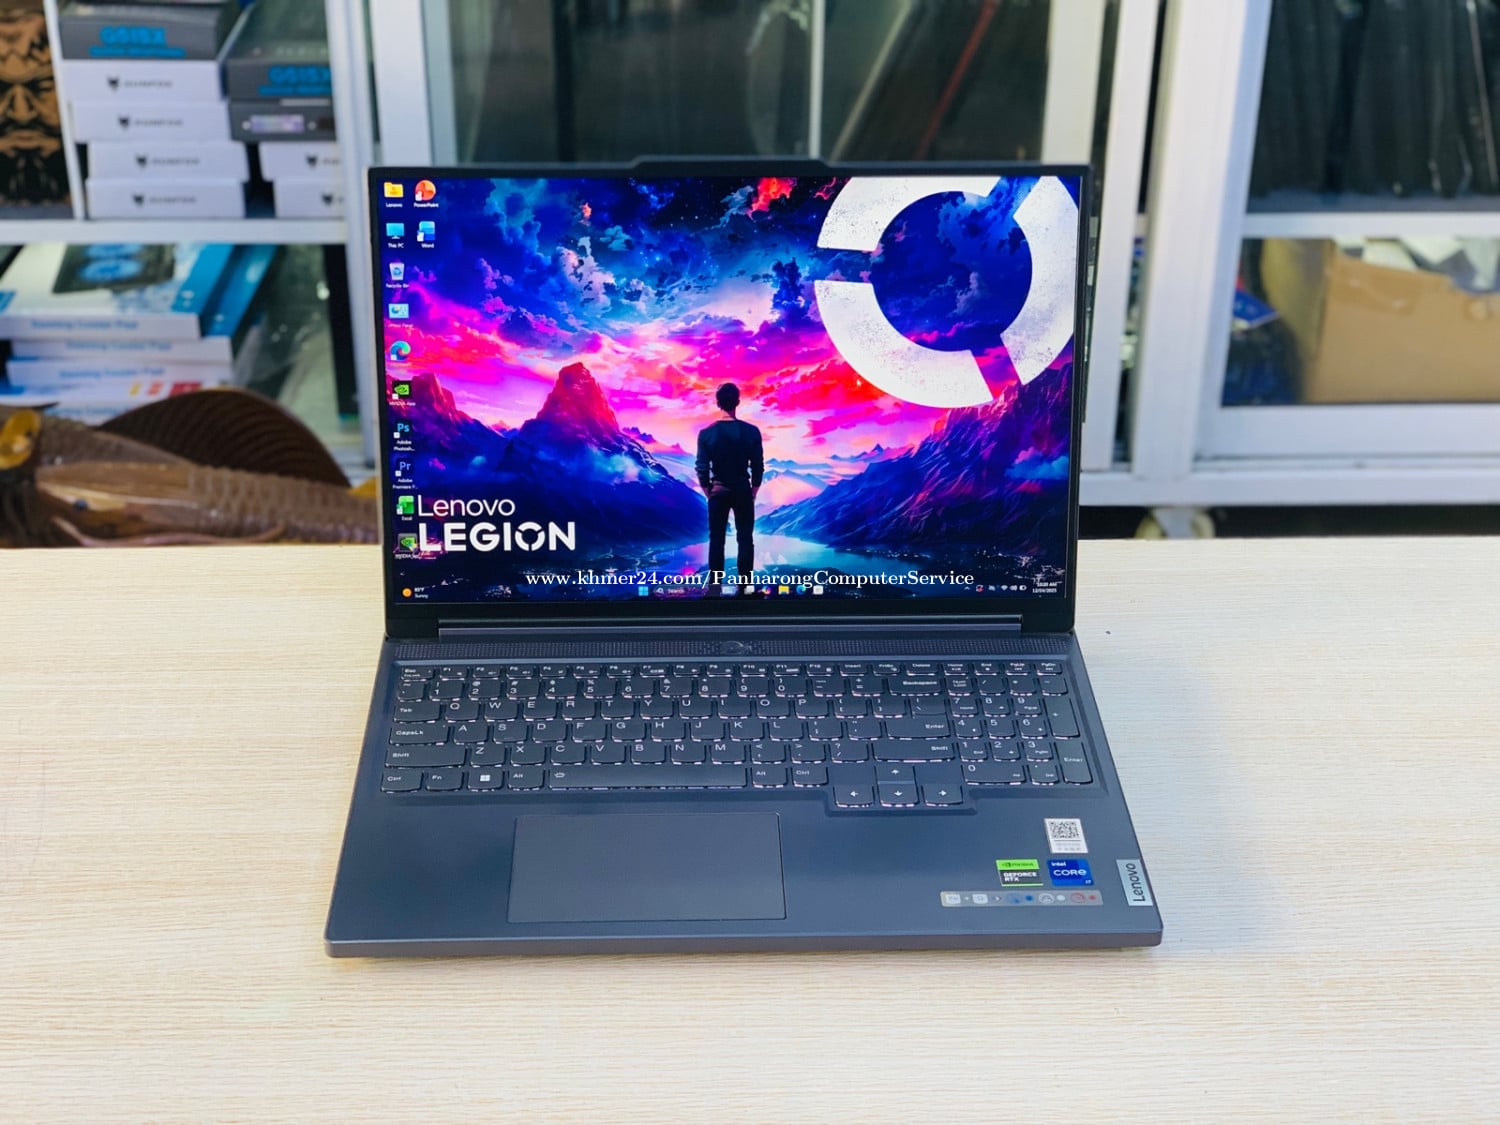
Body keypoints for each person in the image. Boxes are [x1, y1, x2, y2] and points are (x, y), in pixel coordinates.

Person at [695, 382, 763, 587]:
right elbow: (758, 466)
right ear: (738, 402)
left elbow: (701, 467)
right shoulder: (752, 432)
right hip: (743, 490)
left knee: (717, 540)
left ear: (718, 403)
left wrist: (709, 491)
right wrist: (753, 491)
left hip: (718, 492)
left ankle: (715, 589)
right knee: (745, 539)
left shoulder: (706, 434)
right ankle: (745, 589)